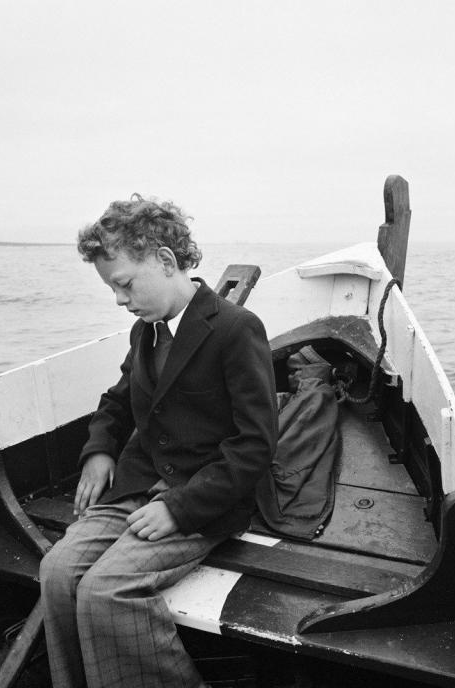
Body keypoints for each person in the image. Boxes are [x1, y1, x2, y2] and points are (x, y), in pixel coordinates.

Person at [40, 194, 278, 688]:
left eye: (124, 284)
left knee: (106, 590)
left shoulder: (235, 330)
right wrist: (99, 450)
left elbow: (254, 444)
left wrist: (179, 508)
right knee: (58, 571)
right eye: (113, 289)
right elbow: (118, 400)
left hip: (202, 500)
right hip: (137, 485)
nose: (120, 299)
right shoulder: (144, 332)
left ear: (166, 261)